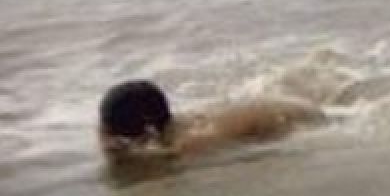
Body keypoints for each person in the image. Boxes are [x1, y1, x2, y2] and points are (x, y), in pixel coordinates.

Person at [98, 79, 324, 165]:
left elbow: (163, 158)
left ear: (147, 127)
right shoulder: (176, 125)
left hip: (307, 117)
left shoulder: (193, 142)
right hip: (289, 103)